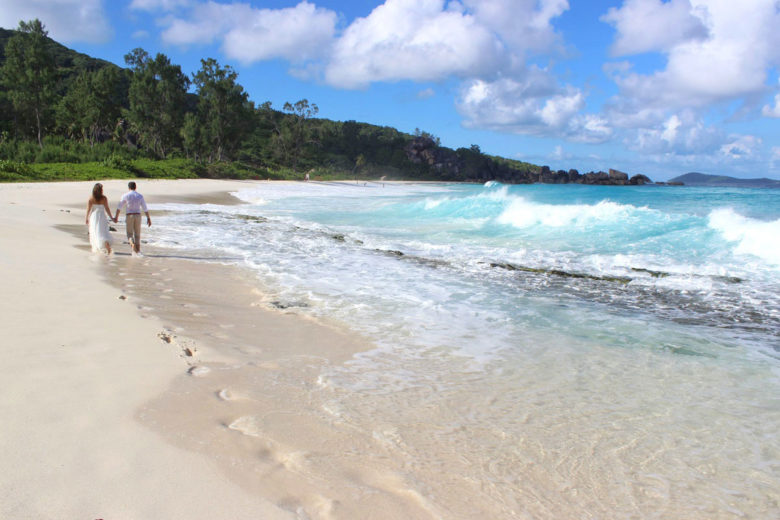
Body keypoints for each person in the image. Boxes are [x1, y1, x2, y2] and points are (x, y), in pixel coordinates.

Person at [114, 181, 151, 256]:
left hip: (129, 215)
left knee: (129, 234)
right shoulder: (140, 196)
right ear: (135, 187)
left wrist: (116, 217)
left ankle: (132, 245)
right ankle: (138, 251)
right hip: (138, 215)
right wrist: (148, 218)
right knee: (137, 234)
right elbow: (145, 208)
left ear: (129, 188)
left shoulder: (125, 195)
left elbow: (119, 207)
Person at [85, 183, 114, 255]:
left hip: (94, 217)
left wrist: (86, 218)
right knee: (103, 231)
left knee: (96, 232)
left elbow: (88, 209)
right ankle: (106, 243)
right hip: (102, 216)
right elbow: (107, 208)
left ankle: (99, 246)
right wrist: (111, 217)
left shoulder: (91, 198)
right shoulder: (104, 198)